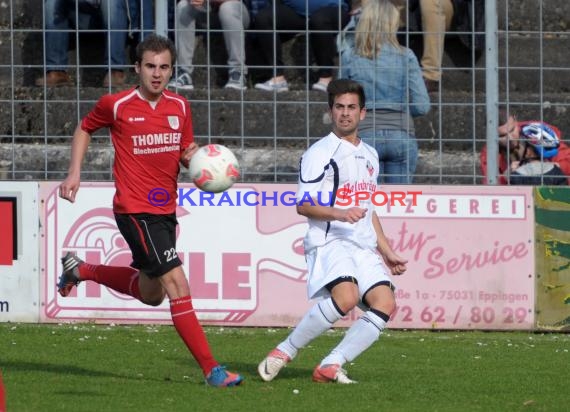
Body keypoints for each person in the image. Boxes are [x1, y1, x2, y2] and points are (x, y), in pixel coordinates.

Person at [57, 34, 243, 387]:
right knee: (176, 282)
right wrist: (74, 172)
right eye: (150, 67)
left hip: (164, 211)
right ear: (136, 69)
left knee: (152, 294)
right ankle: (212, 370)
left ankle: (80, 269)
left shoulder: (180, 107)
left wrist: (197, 160)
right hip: (134, 209)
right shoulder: (117, 104)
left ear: (172, 70)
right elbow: (84, 128)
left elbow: (186, 150)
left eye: (164, 67)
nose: (157, 74)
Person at [257, 79, 408, 384]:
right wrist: (340, 213)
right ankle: (284, 351)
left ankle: (331, 363)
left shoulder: (371, 155)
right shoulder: (319, 152)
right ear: (331, 111)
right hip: (329, 240)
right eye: (339, 107)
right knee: (347, 297)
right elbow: (304, 204)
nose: (345, 113)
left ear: (362, 113)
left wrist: (387, 250)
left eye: (352, 107)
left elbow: (368, 210)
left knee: (386, 302)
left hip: (361, 245)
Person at [339, 0, 430, 184]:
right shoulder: (407, 55)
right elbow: (422, 106)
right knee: (398, 206)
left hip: (363, 136)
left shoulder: (349, 55)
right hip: (401, 134)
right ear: (393, 24)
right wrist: (399, 110)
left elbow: (339, 102)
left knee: (367, 206)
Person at [252, 0, 350, 92]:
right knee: (264, 17)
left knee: (319, 20)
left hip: (333, 10)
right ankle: (278, 78)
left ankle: (326, 78)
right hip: (296, 11)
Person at [36, 0, 131, 87]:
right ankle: (56, 71)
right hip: (75, 13)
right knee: (51, 2)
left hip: (107, 13)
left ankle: (115, 70)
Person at [168, 0, 251, 91]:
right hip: (205, 10)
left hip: (235, 10)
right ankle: (183, 72)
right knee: (182, 5)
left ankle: (238, 73)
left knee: (227, 8)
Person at [480, 111, 570, 185]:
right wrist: (505, 177)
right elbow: (489, 185)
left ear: (515, 120)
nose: (510, 138)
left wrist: (550, 167)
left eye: (512, 130)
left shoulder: (537, 131)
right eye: (502, 135)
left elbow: (567, 162)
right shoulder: (489, 151)